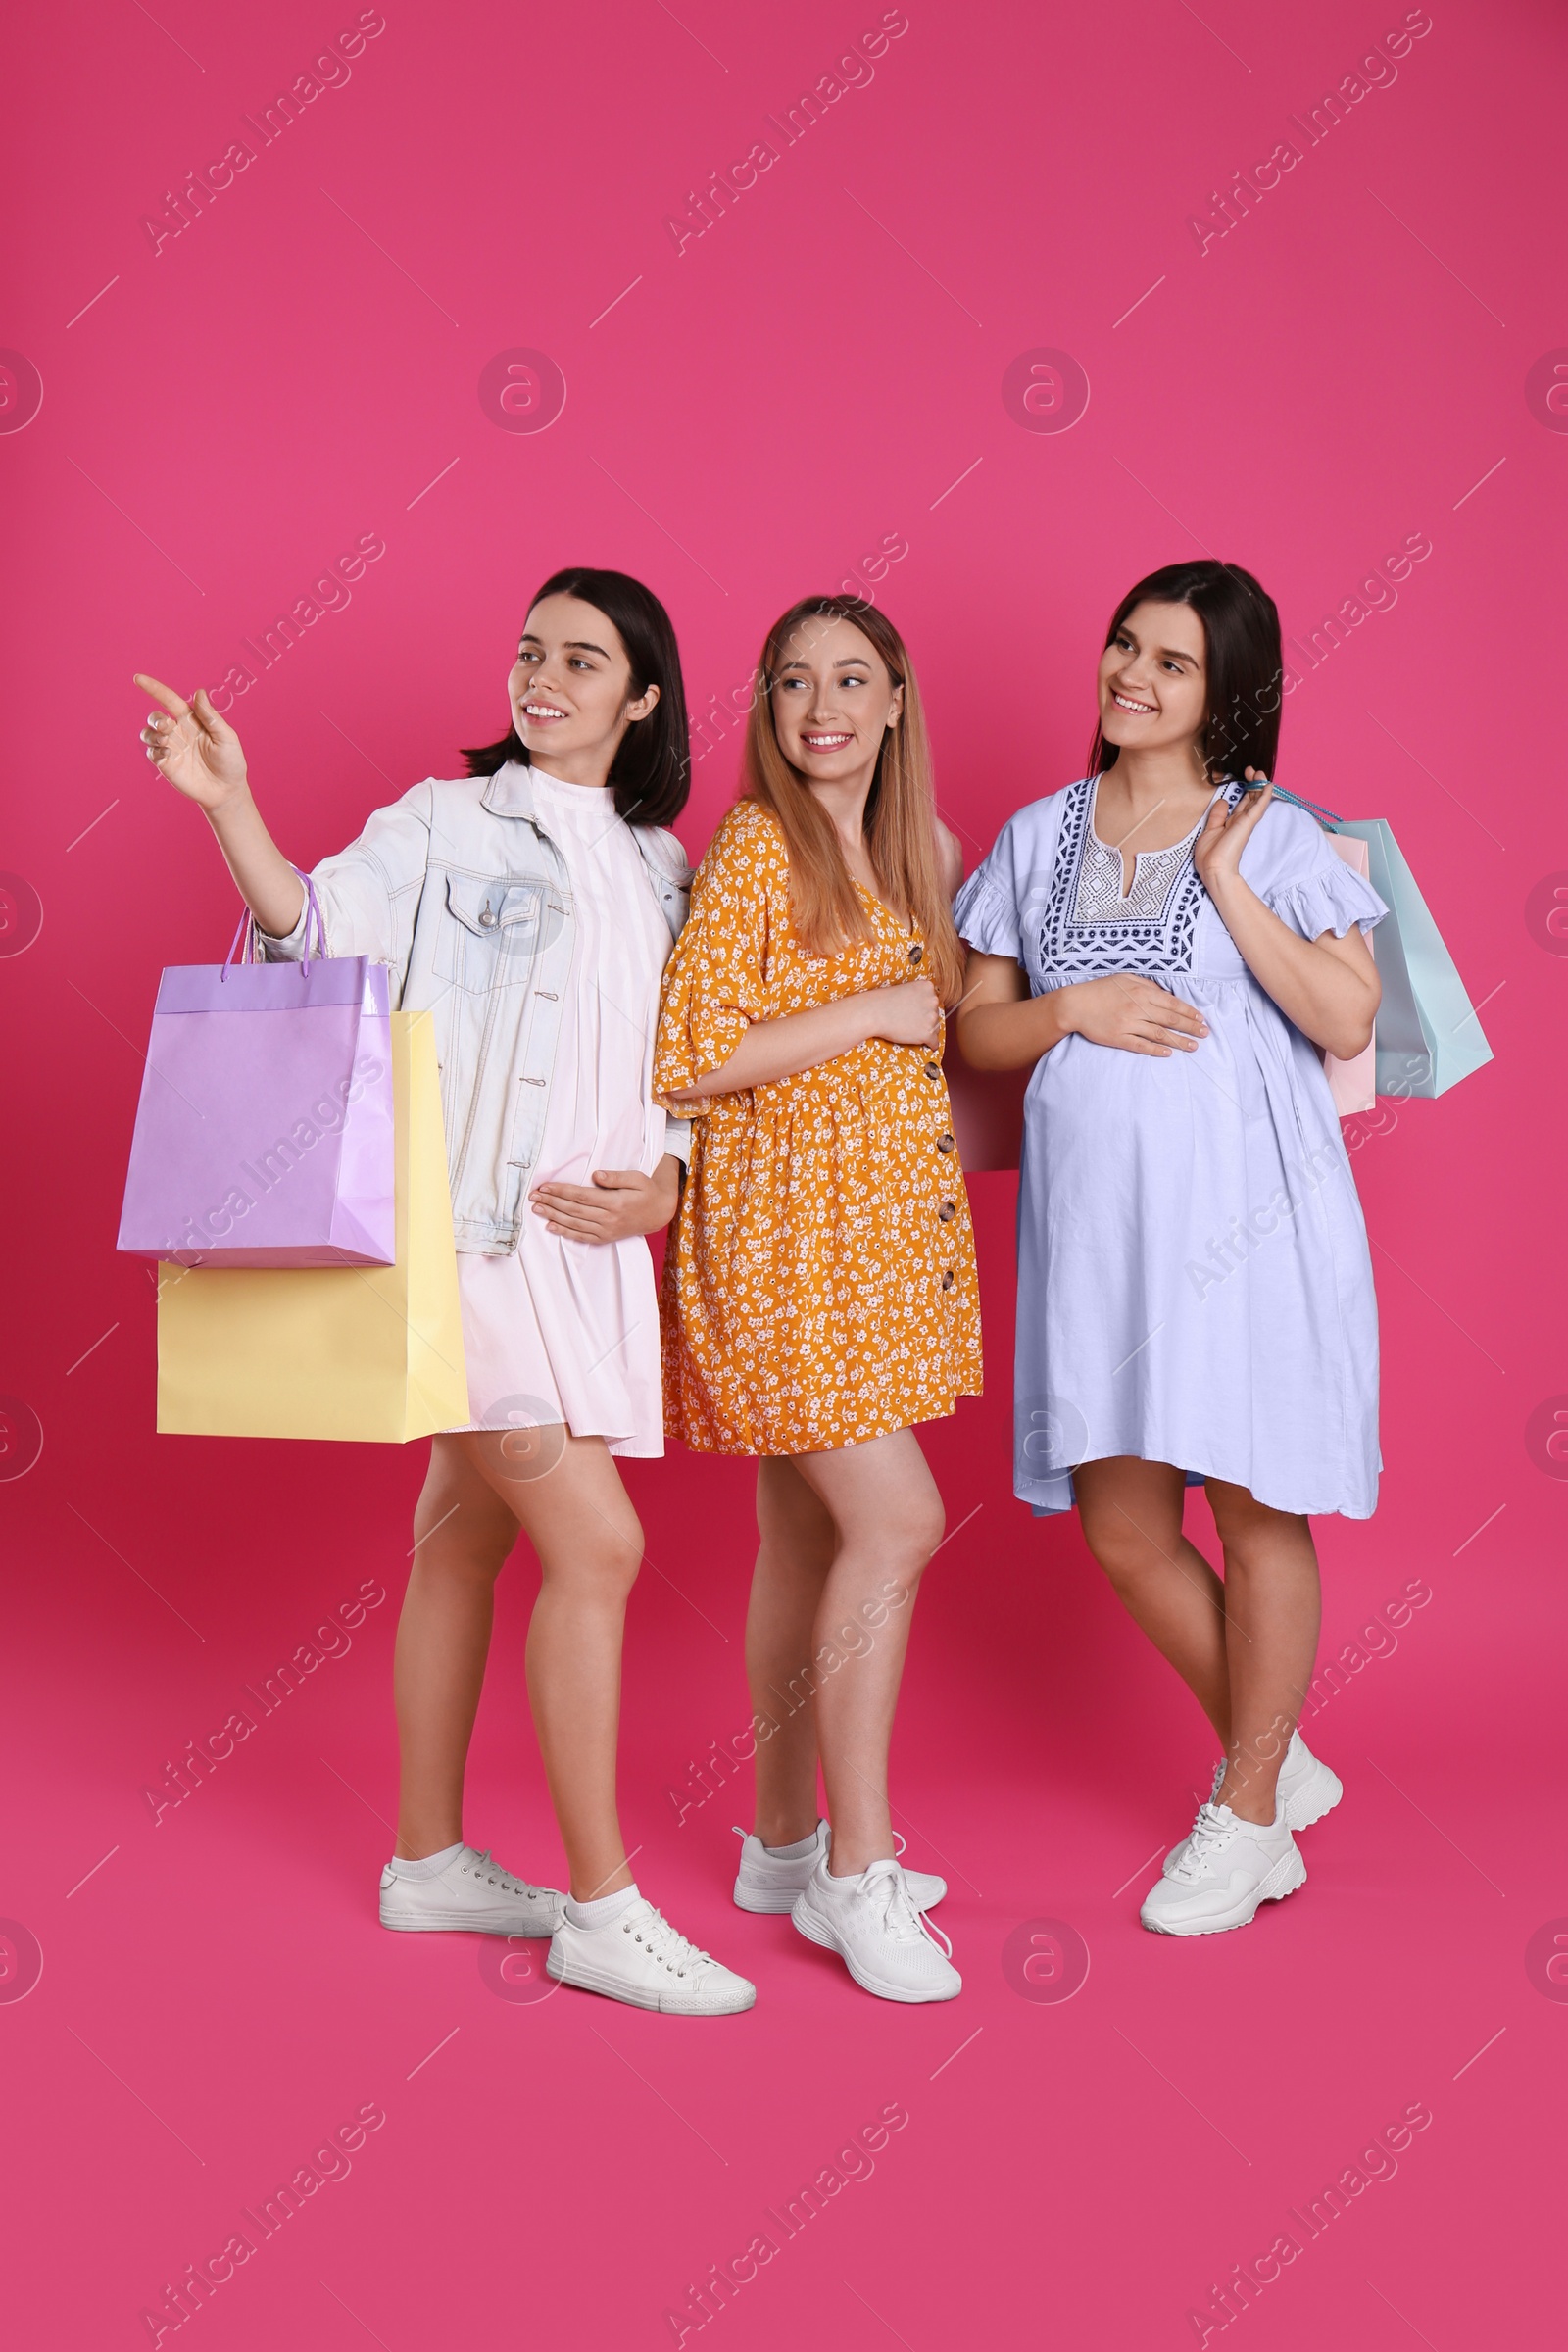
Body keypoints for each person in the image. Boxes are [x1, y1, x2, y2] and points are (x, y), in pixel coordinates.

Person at [135, 567, 755, 2014]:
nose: (542, 679)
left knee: (461, 1538)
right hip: (464, 1251)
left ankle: (426, 1860)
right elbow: (312, 935)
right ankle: (601, 1907)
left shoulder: (668, 868)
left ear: (645, 696)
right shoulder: (439, 821)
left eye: (582, 660)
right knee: (594, 1546)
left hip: (586, 1263)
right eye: (531, 652)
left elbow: (679, 1066)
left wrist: (667, 1178)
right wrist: (231, 807)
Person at [954, 560, 1385, 1937]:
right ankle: (1273, 1754)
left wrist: (1226, 880)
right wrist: (1075, 1002)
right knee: (1123, 1523)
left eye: (1175, 662)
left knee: (1257, 1508)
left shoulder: (1273, 834)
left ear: (1227, 692)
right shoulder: (1036, 834)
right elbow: (978, 1032)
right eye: (1126, 646)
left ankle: (1245, 1810)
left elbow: (1344, 1020)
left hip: (1247, 1221)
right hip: (1097, 1237)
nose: (1133, 676)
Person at [654, 594, 982, 2003]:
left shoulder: (916, 851)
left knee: (802, 1530)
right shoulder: (757, 846)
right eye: (795, 682)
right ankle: (858, 1871)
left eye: (852, 679)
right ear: (767, 711)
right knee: (896, 1519)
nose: (822, 706)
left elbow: (952, 1022)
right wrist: (868, 1013)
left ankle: (780, 1843)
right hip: (784, 1244)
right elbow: (686, 1053)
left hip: (873, 1247)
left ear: (898, 699)